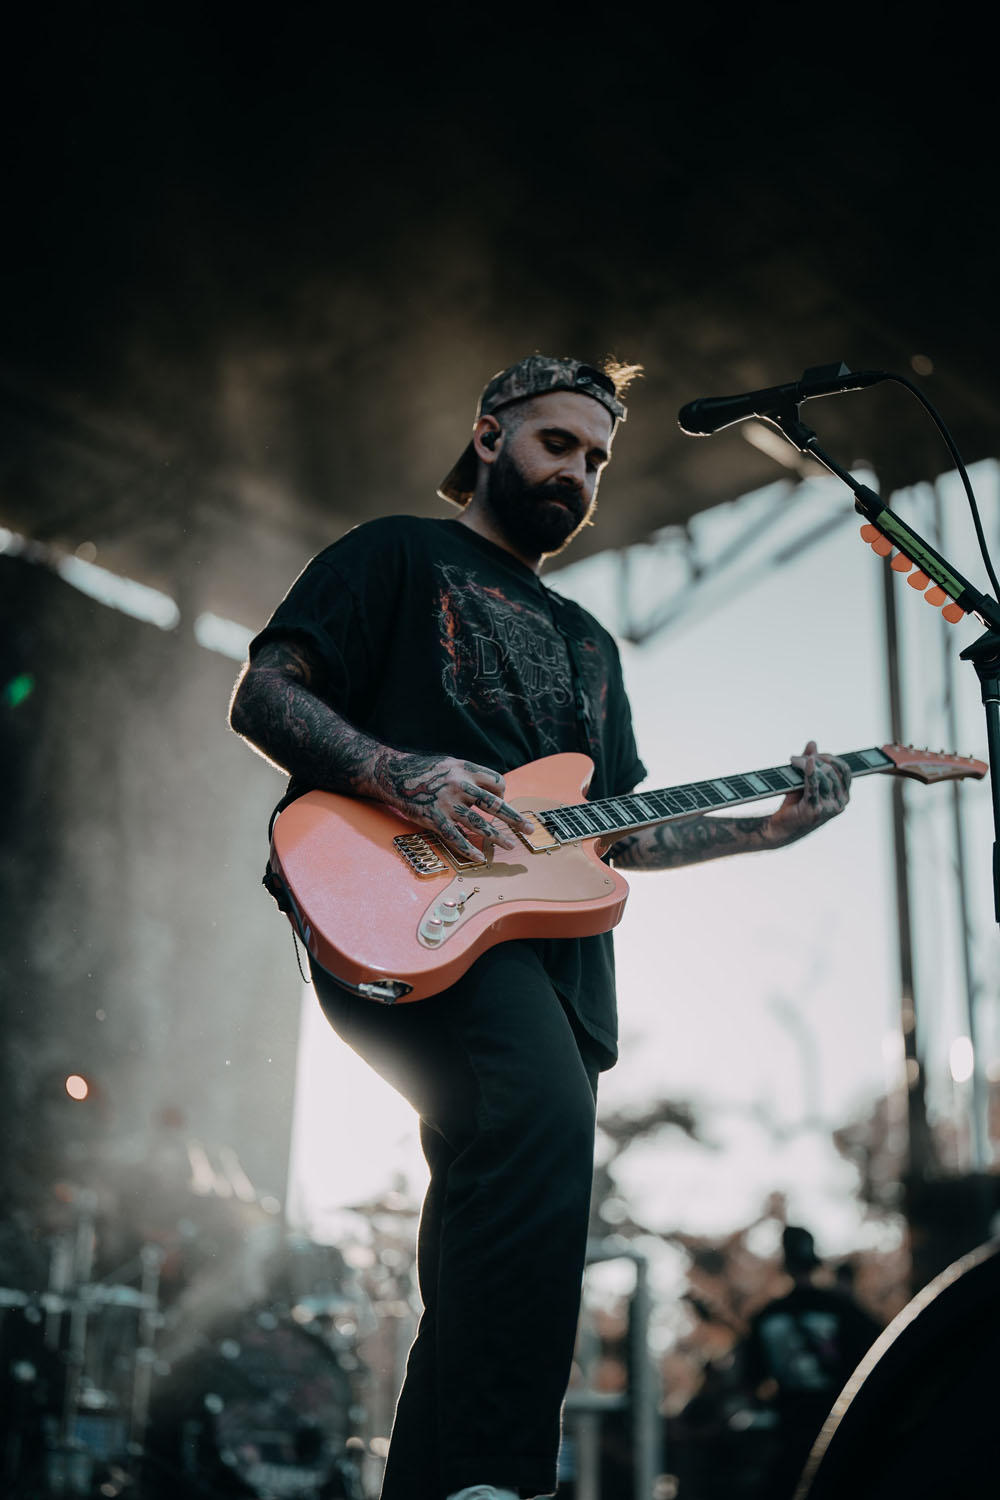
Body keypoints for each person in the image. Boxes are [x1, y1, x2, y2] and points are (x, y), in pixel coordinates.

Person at [228, 354, 853, 1500]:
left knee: (492, 1219)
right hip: (408, 905)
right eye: (557, 444)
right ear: (487, 436)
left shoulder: (588, 646)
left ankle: (434, 1482)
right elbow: (265, 693)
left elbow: (620, 836)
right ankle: (498, 1482)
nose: (578, 473)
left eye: (597, 461)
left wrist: (764, 834)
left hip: (555, 964)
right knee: (541, 1142)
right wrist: (393, 769)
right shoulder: (395, 555)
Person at [742, 1225, 882, 1499]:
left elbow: (752, 1382)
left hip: (790, 1429)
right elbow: (878, 1356)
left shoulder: (766, 1317)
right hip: (840, 1424)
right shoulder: (842, 1311)